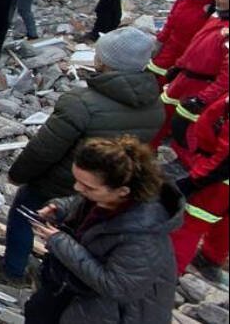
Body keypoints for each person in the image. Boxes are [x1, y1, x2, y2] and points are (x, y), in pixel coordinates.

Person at [0, 26, 163, 285]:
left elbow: (44, 149)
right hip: (105, 189)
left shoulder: (81, 102)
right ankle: (55, 275)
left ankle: (13, 270)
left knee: (24, 213)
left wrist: (18, 174)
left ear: (104, 60)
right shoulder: (155, 103)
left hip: (60, 182)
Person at [23, 137, 180, 324]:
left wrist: (60, 242)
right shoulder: (106, 197)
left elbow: (117, 287)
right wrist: (60, 207)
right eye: (77, 181)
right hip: (70, 292)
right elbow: (83, 201)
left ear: (122, 191)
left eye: (87, 187)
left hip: (107, 314)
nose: (77, 188)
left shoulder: (144, 238)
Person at [154, 0, 229, 150]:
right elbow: (195, 46)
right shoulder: (217, 17)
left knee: (185, 131)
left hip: (201, 87)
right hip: (185, 79)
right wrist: (179, 66)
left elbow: (226, 78)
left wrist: (203, 99)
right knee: (162, 116)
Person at [170, 92, 229, 281]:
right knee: (224, 223)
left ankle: (166, 275)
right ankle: (210, 260)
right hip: (218, 173)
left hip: (218, 181)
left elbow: (225, 159)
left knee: (189, 225)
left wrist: (195, 180)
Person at [147, 0, 227, 82]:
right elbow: (171, 20)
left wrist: (182, 64)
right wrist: (160, 42)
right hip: (167, 51)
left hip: (184, 61)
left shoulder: (215, 9)